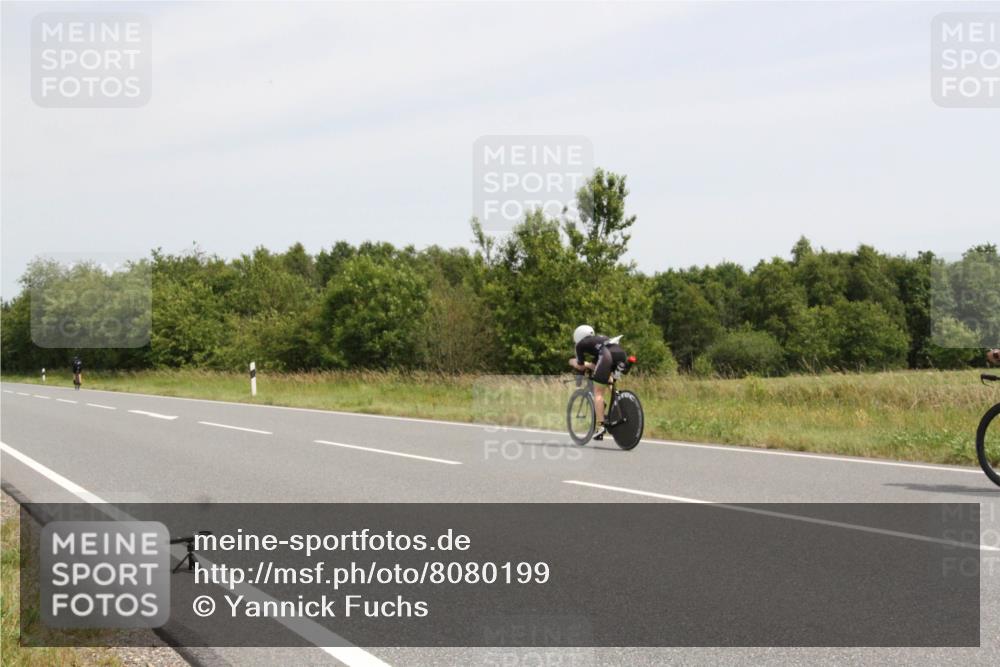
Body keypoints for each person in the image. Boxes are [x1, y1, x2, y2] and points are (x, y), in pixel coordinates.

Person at [568, 324, 628, 440]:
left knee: (598, 393)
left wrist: (571, 361)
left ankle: (600, 427)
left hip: (607, 355)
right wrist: (590, 365)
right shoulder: (600, 339)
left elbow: (580, 366)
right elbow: (596, 365)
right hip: (621, 354)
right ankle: (617, 401)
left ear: (578, 336)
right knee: (608, 378)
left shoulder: (580, 345)